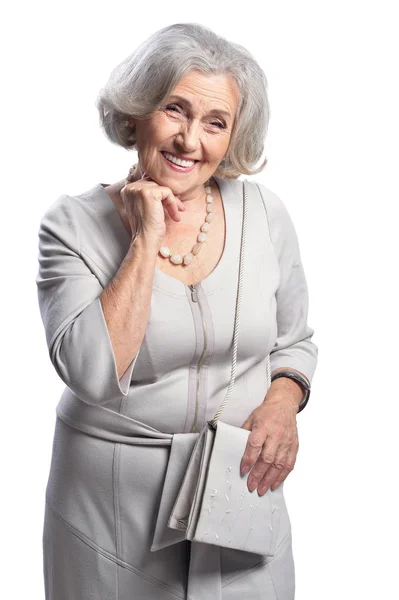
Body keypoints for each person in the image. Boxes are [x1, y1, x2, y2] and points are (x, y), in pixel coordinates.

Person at [36, 22, 318, 600]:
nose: (191, 140)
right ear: (138, 112)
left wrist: (284, 404)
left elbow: (294, 341)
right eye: (175, 110)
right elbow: (91, 372)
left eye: (215, 123)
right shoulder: (71, 226)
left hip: (239, 499)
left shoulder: (265, 215)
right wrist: (145, 239)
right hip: (108, 516)